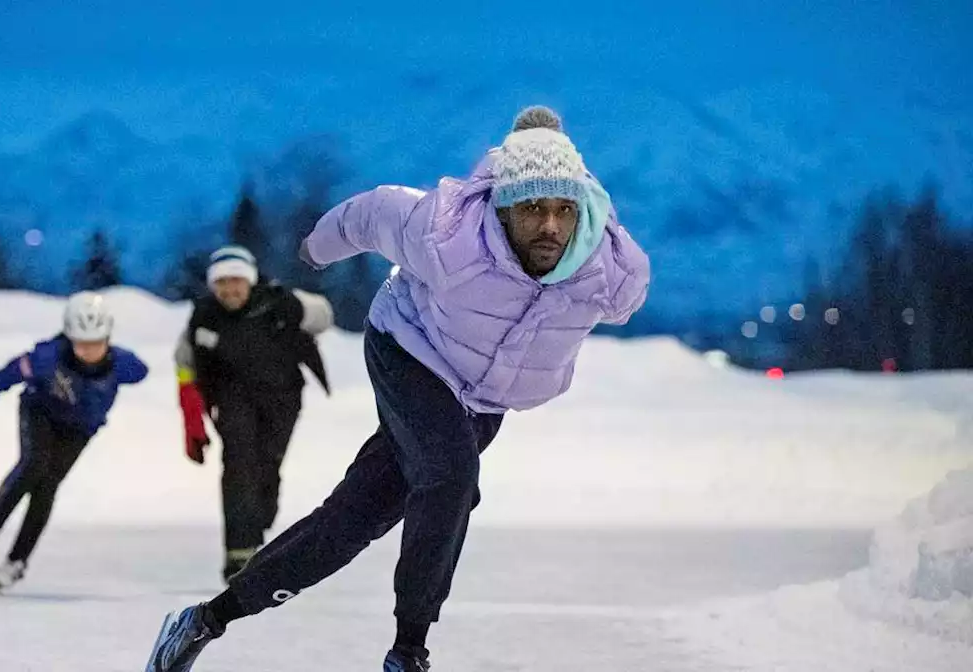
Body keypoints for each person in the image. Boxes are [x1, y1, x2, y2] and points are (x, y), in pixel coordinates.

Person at [143, 106, 651, 671]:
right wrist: (315, 249)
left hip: (480, 401)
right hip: (407, 352)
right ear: (503, 205)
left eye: (563, 209)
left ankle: (203, 622)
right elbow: (372, 212)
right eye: (532, 207)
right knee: (452, 476)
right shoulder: (447, 233)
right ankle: (409, 652)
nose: (551, 227)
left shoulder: (606, 268)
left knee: (351, 521)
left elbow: (627, 288)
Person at [0, 291, 149, 594]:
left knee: (48, 485)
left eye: (96, 343)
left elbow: (142, 371)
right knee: (33, 464)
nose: (89, 351)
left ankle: (17, 560)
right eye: (81, 344)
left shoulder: (124, 365)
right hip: (40, 413)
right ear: (69, 337)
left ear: (108, 338)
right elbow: (4, 376)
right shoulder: (46, 357)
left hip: (80, 430)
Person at [174, 245, 334, 582]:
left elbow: (323, 316)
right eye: (221, 283)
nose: (229, 290)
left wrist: (298, 306)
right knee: (237, 465)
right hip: (232, 398)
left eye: (236, 281)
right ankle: (238, 553)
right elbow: (184, 362)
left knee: (267, 464)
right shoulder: (204, 316)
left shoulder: (277, 302)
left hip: (283, 398)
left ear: (249, 280)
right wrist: (192, 418)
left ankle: (258, 520)